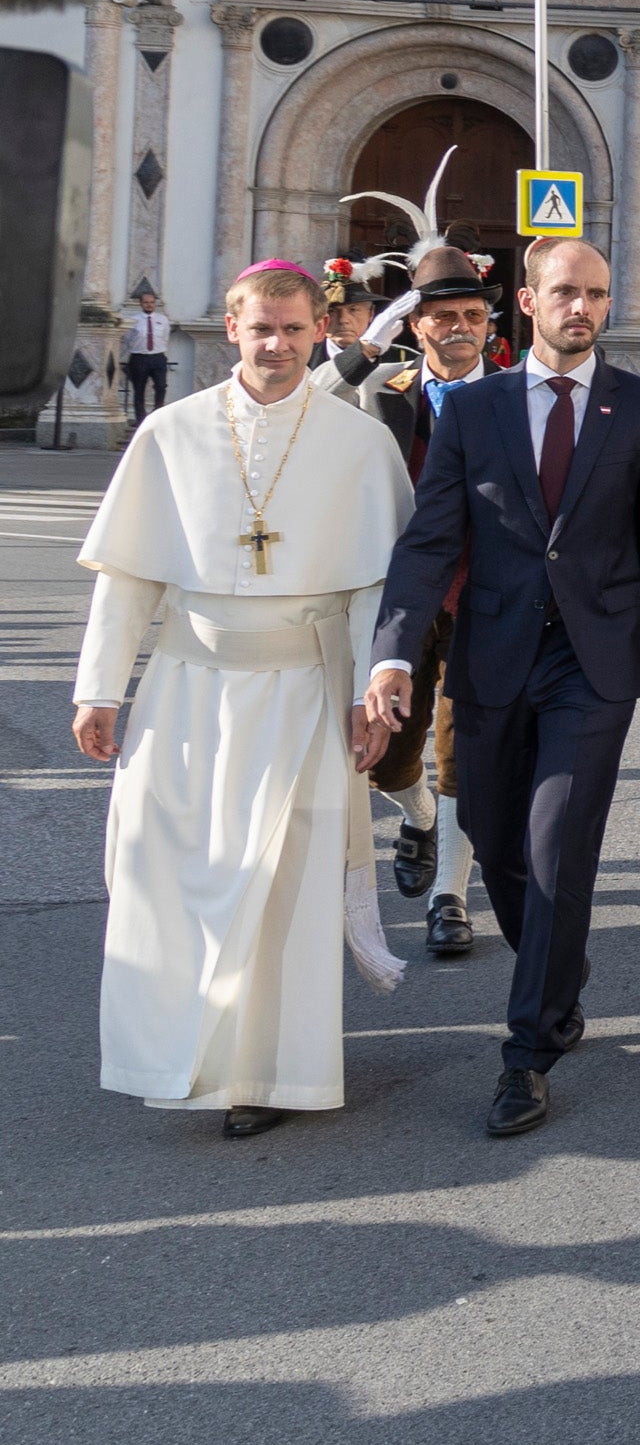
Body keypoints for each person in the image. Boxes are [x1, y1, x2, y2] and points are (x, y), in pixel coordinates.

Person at [70, 262, 415, 1135]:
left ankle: (270, 1074)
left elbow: (374, 587)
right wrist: (99, 689)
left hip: (305, 691)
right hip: (186, 693)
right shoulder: (171, 433)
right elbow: (128, 578)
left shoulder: (359, 443)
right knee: (171, 874)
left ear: (320, 332)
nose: (277, 345)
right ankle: (178, 1053)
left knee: (282, 885)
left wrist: (369, 693)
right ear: (233, 329)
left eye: (294, 330)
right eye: (262, 328)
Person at [360, 240, 640, 1137]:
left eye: (597, 294)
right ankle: (558, 965)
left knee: (556, 851)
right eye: (566, 292)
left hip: (596, 664)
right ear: (530, 300)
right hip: (494, 656)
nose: (582, 307)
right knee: (496, 837)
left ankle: (528, 1051)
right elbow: (432, 539)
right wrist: (393, 654)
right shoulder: (476, 409)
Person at [318, 248, 503, 949]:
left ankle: (449, 898)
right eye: (442, 316)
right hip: (394, 599)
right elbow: (306, 403)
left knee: (463, 753)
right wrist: (369, 345)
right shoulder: (382, 388)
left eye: (472, 315)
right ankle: (417, 816)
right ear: (415, 324)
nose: (460, 328)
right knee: (388, 756)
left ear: (488, 324)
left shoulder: (514, 394)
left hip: (482, 597)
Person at [118, 286, 172, 424]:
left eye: (152, 302)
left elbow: (165, 337)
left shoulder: (162, 320)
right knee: (139, 390)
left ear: (155, 304)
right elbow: (128, 339)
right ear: (141, 304)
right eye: (146, 302)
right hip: (139, 358)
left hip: (157, 357)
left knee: (161, 386)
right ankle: (141, 420)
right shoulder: (133, 321)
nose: (149, 305)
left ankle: (157, 414)